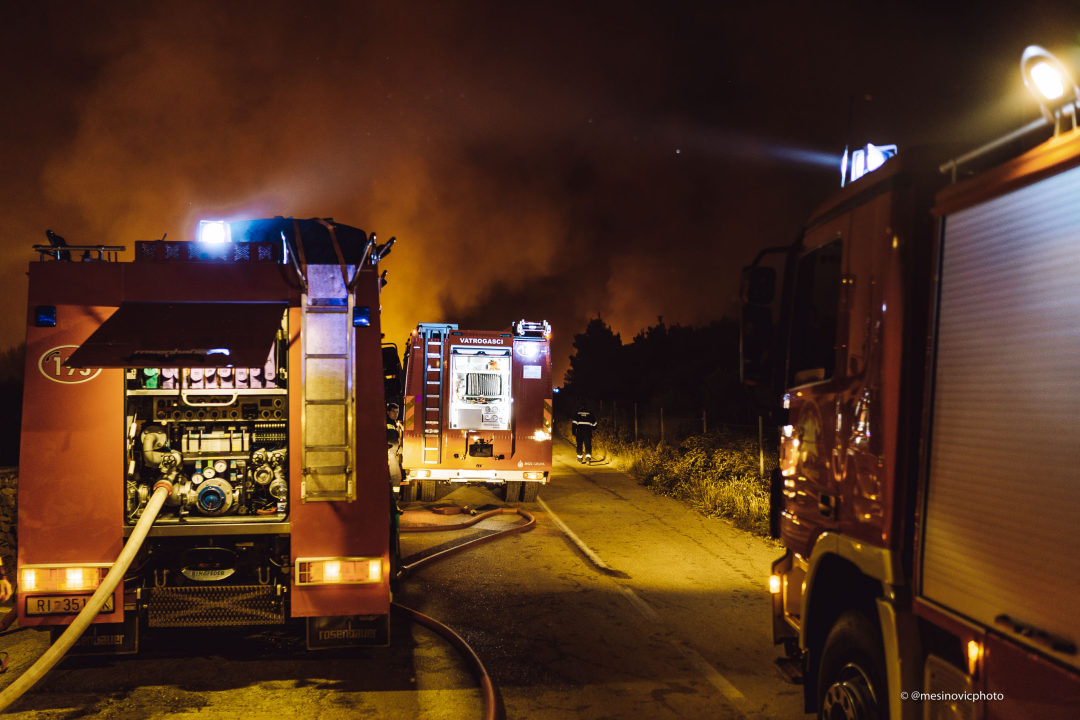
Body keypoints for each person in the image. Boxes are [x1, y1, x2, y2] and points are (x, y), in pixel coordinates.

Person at [386, 403, 403, 489]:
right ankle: (395, 497)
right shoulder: (385, 422)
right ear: (388, 412)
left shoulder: (393, 423)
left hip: (394, 449)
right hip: (390, 451)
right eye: (393, 411)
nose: (395, 414)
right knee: (395, 475)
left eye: (397, 412)